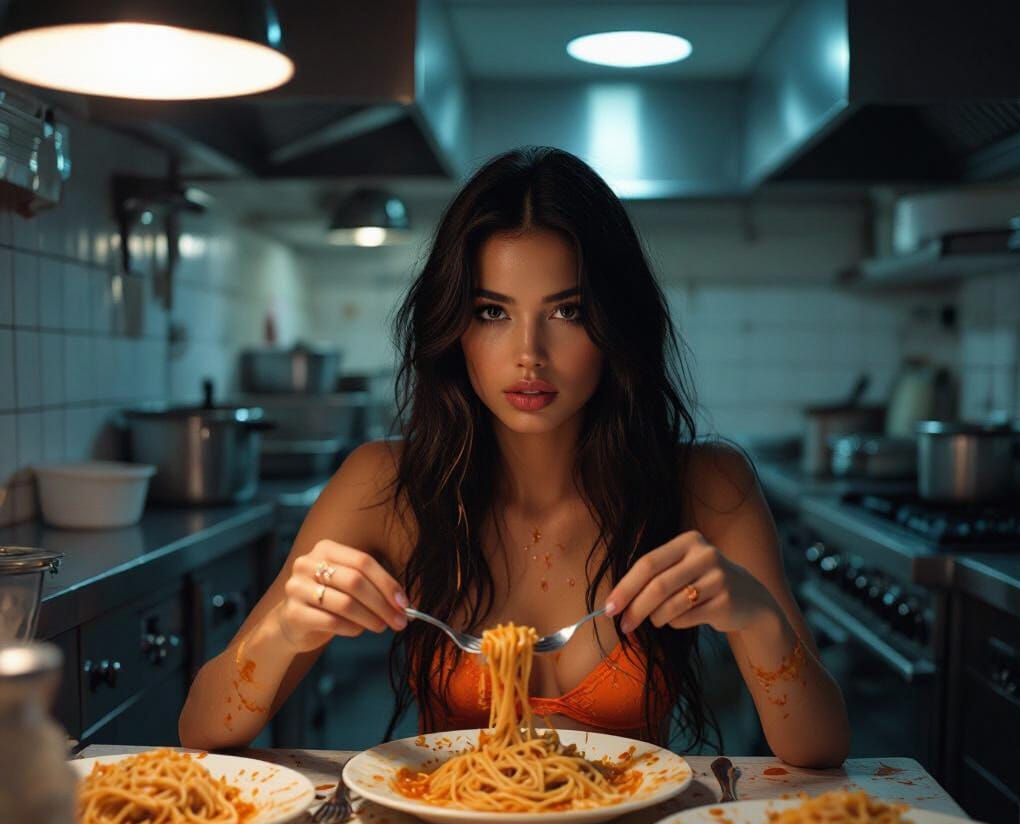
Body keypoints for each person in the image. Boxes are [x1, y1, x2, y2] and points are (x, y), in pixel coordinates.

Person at [179, 147, 849, 767]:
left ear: (615, 323)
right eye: (493, 312)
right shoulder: (384, 485)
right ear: (454, 328)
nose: (530, 353)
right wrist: (284, 631)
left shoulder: (709, 485)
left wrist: (757, 617)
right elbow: (202, 730)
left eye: (568, 311)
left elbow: (820, 749)